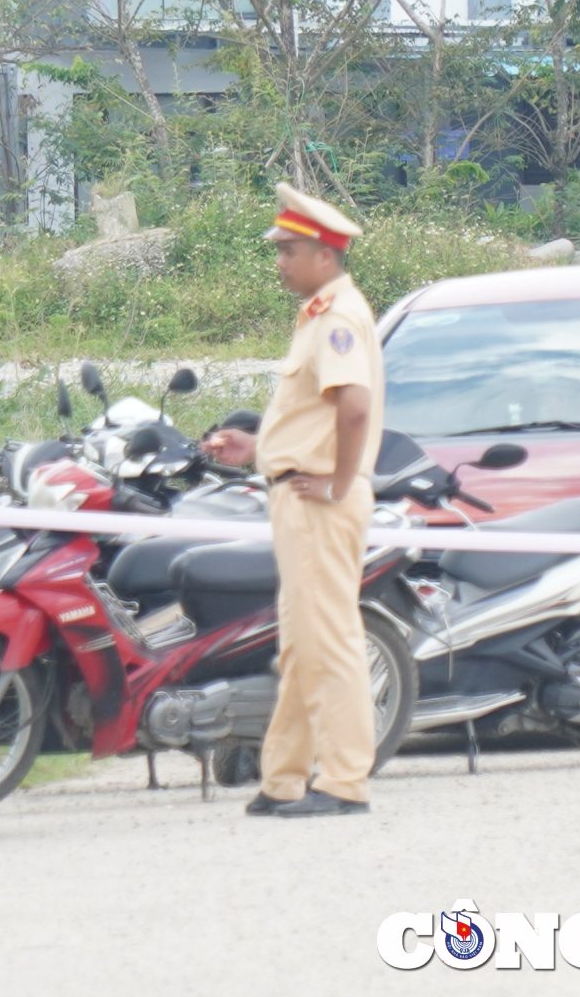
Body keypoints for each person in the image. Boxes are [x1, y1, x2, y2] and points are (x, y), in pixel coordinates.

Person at [207, 183, 384, 819]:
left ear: (323, 254)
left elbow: (355, 408)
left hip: (319, 502)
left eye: (287, 250)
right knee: (302, 642)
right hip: (301, 494)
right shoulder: (320, 313)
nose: (278, 261)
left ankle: (342, 781)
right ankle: (283, 777)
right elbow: (316, 415)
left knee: (328, 640)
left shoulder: (336, 318)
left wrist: (336, 482)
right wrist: (255, 447)